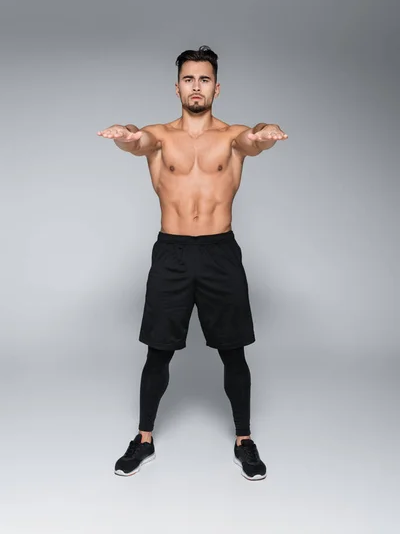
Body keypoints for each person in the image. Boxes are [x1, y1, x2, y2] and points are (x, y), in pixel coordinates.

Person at [97, 46, 288, 481]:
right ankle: (143, 438)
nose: (196, 86)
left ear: (216, 87)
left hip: (220, 253)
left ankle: (244, 440)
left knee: (233, 351)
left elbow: (252, 139)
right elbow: (137, 140)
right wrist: (125, 133)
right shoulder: (160, 136)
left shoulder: (231, 135)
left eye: (204, 79)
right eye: (189, 79)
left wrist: (265, 130)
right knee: (157, 352)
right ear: (177, 86)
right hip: (173, 254)